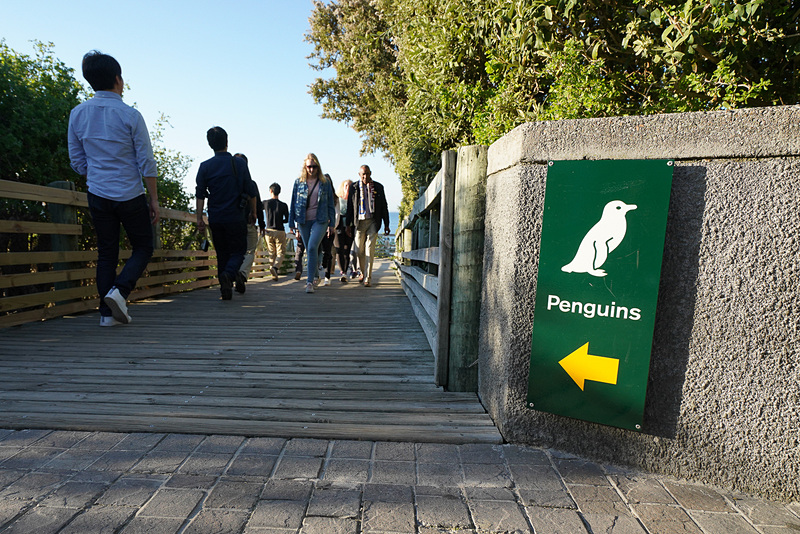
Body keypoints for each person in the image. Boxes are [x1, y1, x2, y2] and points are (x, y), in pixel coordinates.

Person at [67, 51, 160, 327]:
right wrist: (153, 199)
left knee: (107, 252)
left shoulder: (77, 114)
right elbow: (147, 162)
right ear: (118, 79)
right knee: (143, 246)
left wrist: (96, 174)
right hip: (130, 194)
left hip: (98, 194)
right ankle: (119, 292)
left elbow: (76, 161)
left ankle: (107, 316)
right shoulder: (131, 115)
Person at [195, 127, 257, 300]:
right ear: (227, 141)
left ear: (210, 144)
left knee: (221, 253)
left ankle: (225, 289)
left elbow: (200, 194)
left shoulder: (205, 166)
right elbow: (251, 190)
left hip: (215, 217)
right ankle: (229, 275)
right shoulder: (239, 164)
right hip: (236, 216)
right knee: (238, 251)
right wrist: (253, 212)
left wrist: (199, 218)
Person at [288, 153, 335, 294]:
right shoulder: (298, 182)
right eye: (309, 166)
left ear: (318, 167)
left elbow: (330, 205)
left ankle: (309, 282)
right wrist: (291, 222)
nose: (311, 169)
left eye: (314, 167)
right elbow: (293, 203)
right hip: (303, 220)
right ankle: (315, 275)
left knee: (313, 246)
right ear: (305, 167)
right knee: (309, 250)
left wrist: (331, 223)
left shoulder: (324, 183)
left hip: (320, 219)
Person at [346, 164, 390, 287]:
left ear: (371, 173)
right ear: (359, 175)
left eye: (367, 173)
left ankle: (368, 278)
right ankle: (362, 271)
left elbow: (384, 206)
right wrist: (348, 225)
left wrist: (387, 224)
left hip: (373, 221)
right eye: (363, 174)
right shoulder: (354, 188)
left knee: (369, 249)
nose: (365, 176)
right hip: (359, 222)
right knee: (359, 250)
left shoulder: (378, 187)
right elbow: (350, 207)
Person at [233, 153, 265, 292]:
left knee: (234, 251)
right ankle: (242, 273)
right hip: (249, 222)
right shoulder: (251, 183)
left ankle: (232, 275)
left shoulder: (229, 182)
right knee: (250, 251)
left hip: (231, 223)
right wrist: (262, 224)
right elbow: (257, 204)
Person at [264, 183, 289, 281]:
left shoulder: (265, 203)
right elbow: (287, 219)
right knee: (280, 253)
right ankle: (275, 268)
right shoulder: (283, 205)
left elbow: (258, 210)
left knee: (271, 253)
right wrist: (280, 221)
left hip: (268, 231)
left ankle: (273, 274)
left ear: (270, 191)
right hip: (279, 231)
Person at [334, 179, 354, 283]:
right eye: (346, 185)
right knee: (339, 248)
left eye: (350, 186)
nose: (348, 187)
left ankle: (345, 272)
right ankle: (342, 271)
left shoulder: (354, 199)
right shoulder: (337, 199)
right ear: (342, 186)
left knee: (347, 250)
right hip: (338, 225)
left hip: (350, 225)